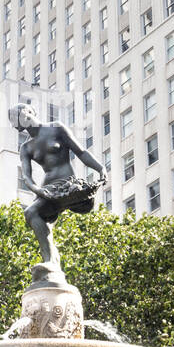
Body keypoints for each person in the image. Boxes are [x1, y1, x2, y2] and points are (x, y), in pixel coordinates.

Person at [14, 100, 107, 269]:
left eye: (21, 116)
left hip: (68, 184)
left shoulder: (56, 128)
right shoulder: (26, 147)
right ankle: (50, 260)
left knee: (40, 215)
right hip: (48, 190)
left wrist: (100, 168)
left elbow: (81, 152)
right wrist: (39, 191)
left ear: (29, 112)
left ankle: (52, 261)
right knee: (31, 213)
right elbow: (27, 177)